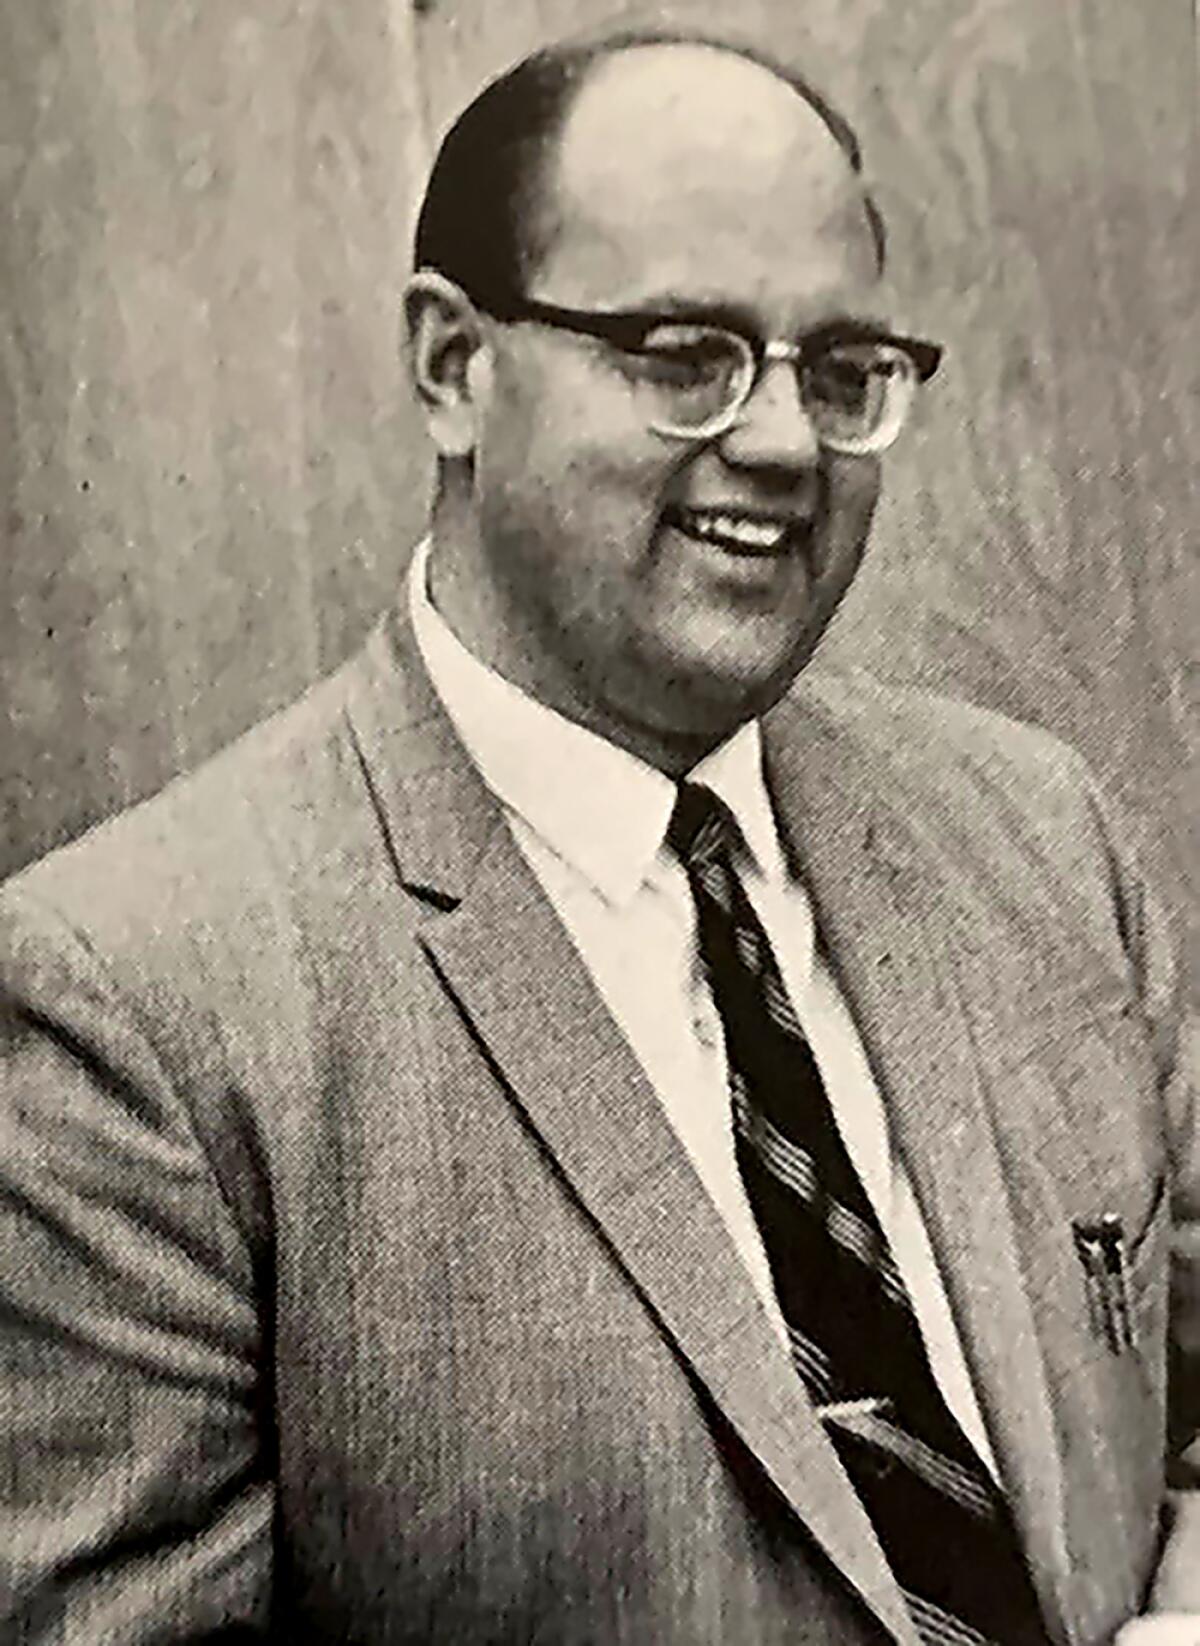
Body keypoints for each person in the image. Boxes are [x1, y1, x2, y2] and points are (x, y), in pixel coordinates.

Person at [1, 26, 1196, 1646]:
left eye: (842, 374)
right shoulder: (135, 1010)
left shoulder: (1037, 836)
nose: (782, 445)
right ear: (452, 367)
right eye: (685, 352)